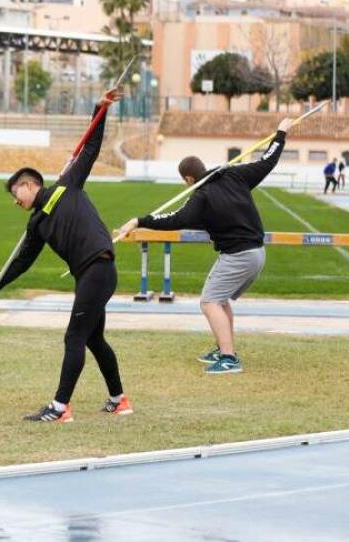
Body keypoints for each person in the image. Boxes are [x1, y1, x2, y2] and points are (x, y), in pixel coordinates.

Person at [0, 88, 131, 423]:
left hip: (99, 267)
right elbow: (21, 261)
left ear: (29, 184)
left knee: (74, 336)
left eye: (15, 192)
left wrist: (99, 109)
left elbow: (90, 146)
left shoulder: (67, 184)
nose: (14, 200)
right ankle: (119, 400)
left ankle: (60, 408)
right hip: (90, 275)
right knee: (93, 338)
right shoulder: (37, 223)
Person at [118, 117, 294, 375]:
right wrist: (280, 134)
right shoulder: (235, 174)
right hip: (256, 252)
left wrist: (138, 221)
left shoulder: (201, 195)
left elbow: (176, 219)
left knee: (209, 301)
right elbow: (267, 162)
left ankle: (229, 358)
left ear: (189, 178)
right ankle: (224, 347)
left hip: (239, 255)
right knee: (220, 300)